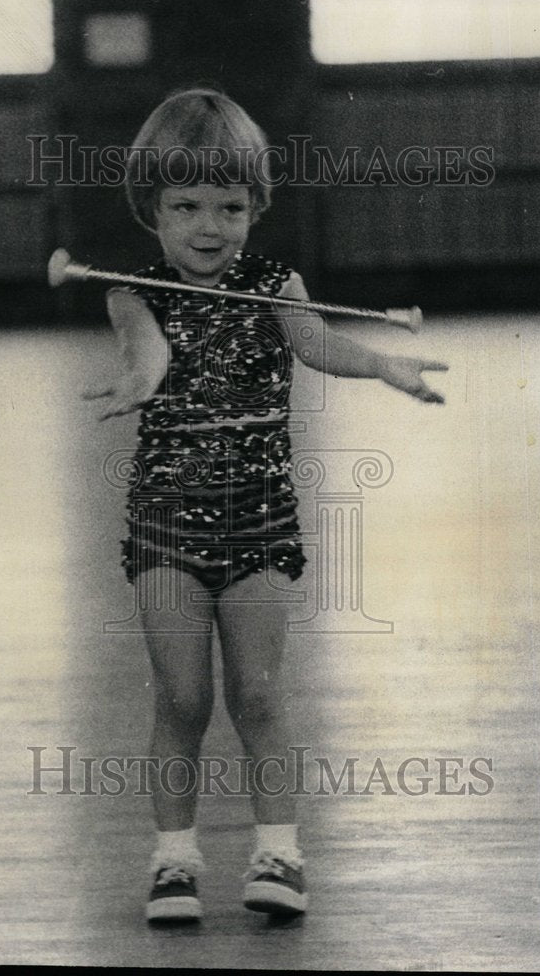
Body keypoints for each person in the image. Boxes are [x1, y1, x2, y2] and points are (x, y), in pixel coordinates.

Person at [83, 88, 448, 923]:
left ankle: (279, 852)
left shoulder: (275, 282)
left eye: (230, 206)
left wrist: (384, 366)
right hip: (169, 524)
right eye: (186, 207)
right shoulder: (130, 292)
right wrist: (140, 382)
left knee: (259, 692)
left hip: (260, 523)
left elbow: (318, 341)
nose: (210, 226)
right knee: (180, 698)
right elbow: (146, 353)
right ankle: (174, 861)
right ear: (151, 210)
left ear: (255, 206)